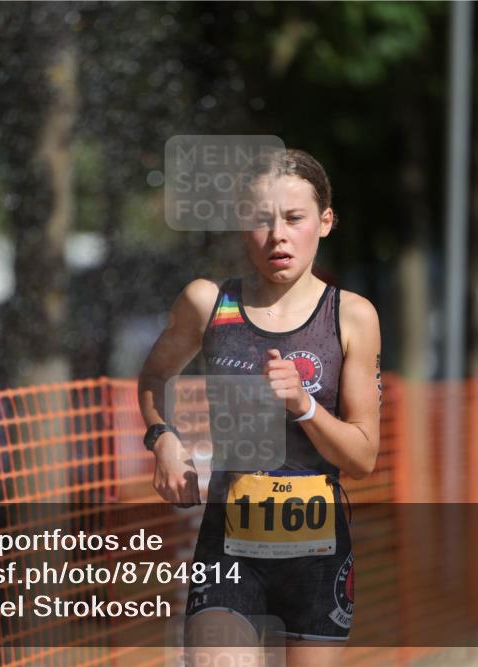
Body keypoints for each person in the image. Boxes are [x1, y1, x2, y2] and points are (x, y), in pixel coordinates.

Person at [137, 149, 381, 666]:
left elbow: (362, 458)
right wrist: (163, 439)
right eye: (261, 221)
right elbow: (157, 376)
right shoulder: (208, 303)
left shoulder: (351, 316)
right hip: (229, 547)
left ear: (326, 221)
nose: (278, 237)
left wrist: (304, 406)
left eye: (294, 219)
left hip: (318, 556)